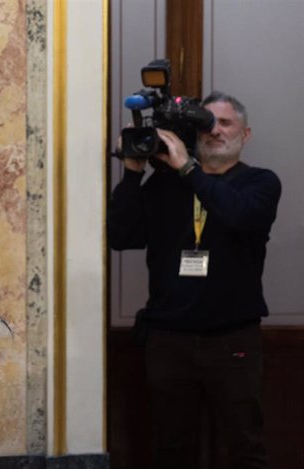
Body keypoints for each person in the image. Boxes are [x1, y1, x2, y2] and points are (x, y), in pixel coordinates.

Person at [108, 91, 281, 469]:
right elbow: (121, 237)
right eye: (207, 123)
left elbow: (239, 216)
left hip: (233, 339)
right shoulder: (166, 185)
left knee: (244, 448)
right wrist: (133, 174)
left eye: (225, 123)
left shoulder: (260, 183)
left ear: (245, 134)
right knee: (172, 450)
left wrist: (188, 168)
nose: (215, 130)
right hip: (170, 341)